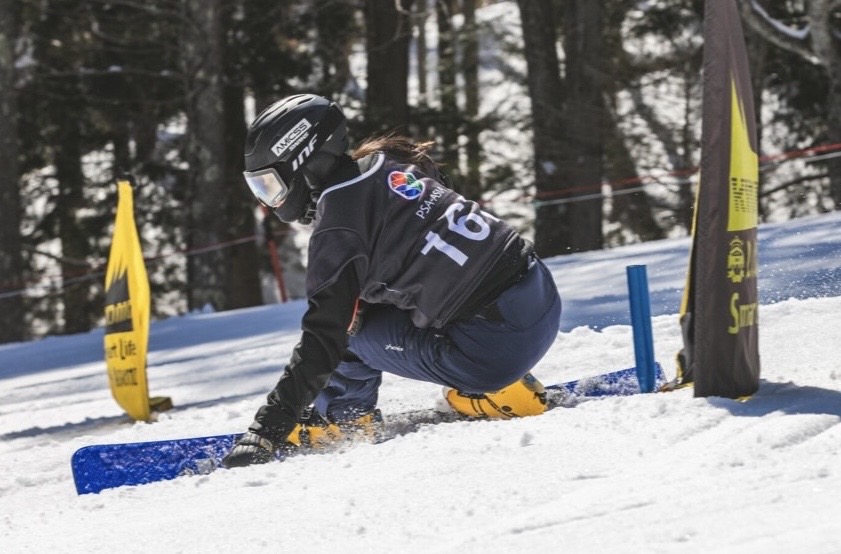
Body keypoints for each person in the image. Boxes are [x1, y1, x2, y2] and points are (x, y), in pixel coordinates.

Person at [222, 94, 562, 467]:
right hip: (540, 295)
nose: (269, 203)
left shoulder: (338, 229)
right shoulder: (389, 163)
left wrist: (266, 430)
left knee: (347, 331)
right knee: (369, 300)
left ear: (302, 164)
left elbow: (323, 340)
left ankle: (344, 422)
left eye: (269, 187)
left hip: (493, 353)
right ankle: (508, 382)